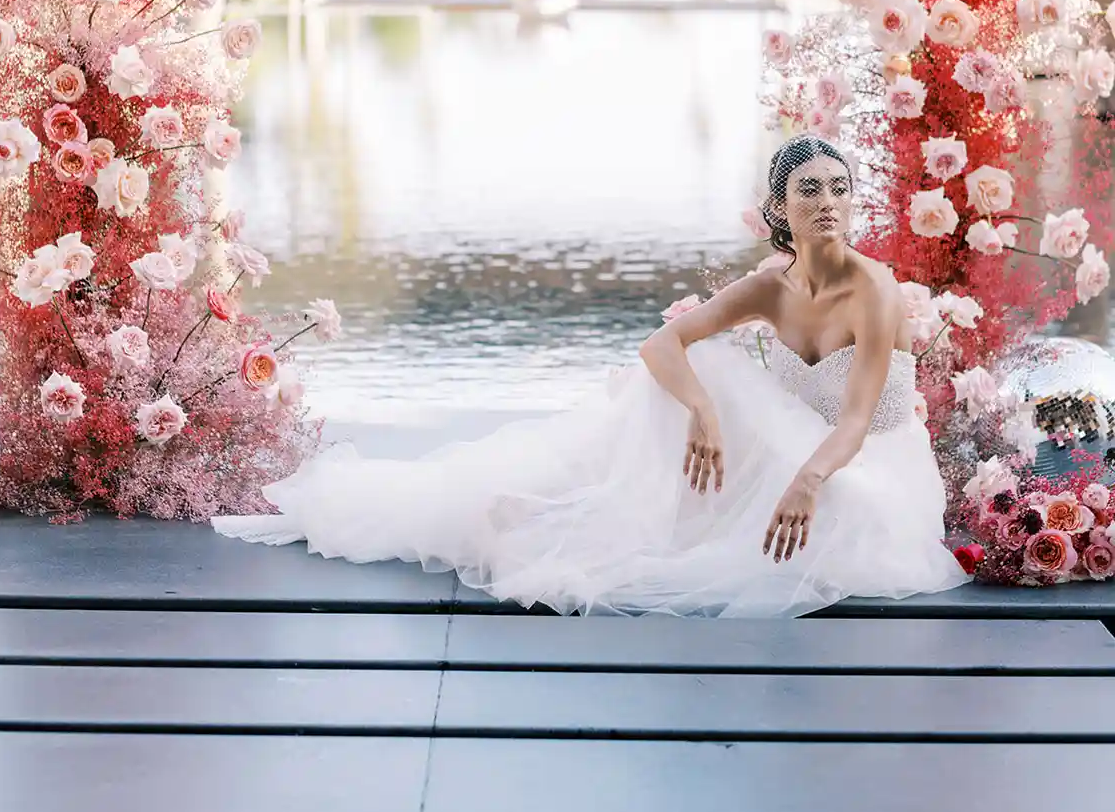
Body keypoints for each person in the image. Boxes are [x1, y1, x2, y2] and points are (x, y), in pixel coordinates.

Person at [213, 135, 969, 617]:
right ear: (778, 209)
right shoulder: (771, 283)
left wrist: (806, 482)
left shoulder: (876, 290)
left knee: (827, 514)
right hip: (794, 447)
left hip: (860, 467)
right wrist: (703, 412)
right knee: (702, 364)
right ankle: (564, 508)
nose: (828, 202)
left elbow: (856, 421)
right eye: (809, 189)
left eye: (839, 188)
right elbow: (661, 347)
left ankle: (569, 520)